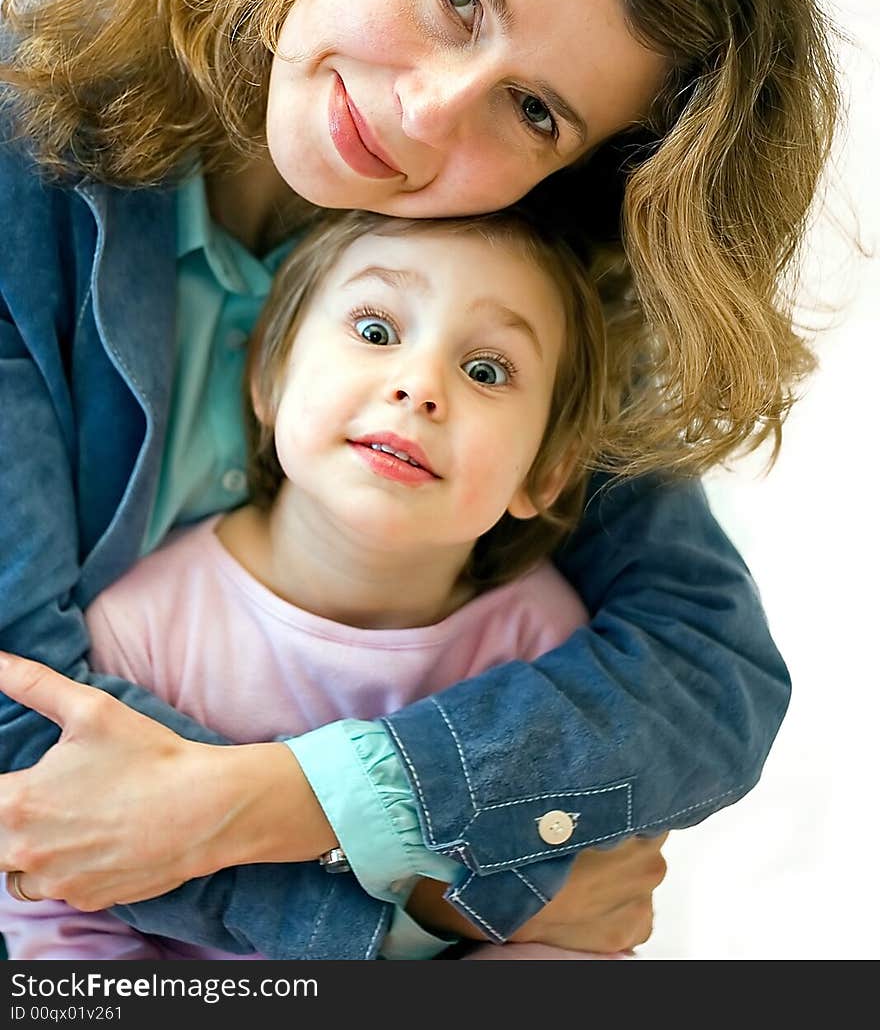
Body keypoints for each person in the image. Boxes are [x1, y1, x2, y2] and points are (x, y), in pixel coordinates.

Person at [0, 0, 837, 958]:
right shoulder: (26, 153)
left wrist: (294, 802)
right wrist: (416, 919)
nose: (432, 110)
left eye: (535, 110)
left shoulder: (510, 294)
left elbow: (704, 674)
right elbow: (24, 749)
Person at [0, 205, 667, 959]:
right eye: (377, 331)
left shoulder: (547, 645)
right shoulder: (140, 630)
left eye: (486, 370)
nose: (419, 387)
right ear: (267, 376)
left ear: (546, 472)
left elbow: (578, 916)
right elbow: (63, 913)